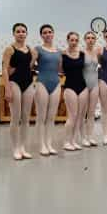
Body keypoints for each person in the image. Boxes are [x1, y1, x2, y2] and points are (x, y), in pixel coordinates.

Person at [2, 23, 35, 160]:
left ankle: (23, 147)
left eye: (23, 31)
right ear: (14, 33)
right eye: (18, 31)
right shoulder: (9, 49)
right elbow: (4, 69)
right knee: (16, 118)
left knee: (26, 118)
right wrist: (7, 88)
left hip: (28, 83)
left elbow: (29, 66)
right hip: (14, 82)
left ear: (26, 33)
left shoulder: (30, 49)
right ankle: (15, 148)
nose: (21, 33)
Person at [34, 24, 62, 156]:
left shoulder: (58, 51)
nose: (47, 34)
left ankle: (49, 143)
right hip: (42, 82)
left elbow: (61, 69)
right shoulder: (37, 49)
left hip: (56, 83)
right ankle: (41, 145)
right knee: (41, 116)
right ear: (41, 35)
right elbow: (29, 65)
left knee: (51, 117)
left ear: (53, 34)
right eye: (44, 32)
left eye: (50, 32)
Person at [62, 32, 89, 151]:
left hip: (83, 86)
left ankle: (73, 141)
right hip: (69, 86)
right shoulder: (62, 55)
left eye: (76, 40)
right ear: (67, 40)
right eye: (71, 40)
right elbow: (60, 70)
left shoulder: (82, 54)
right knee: (72, 115)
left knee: (79, 116)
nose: (73, 42)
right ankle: (66, 142)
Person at [82, 31, 100, 147]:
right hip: (83, 84)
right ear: (85, 40)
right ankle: (82, 137)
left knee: (92, 112)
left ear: (95, 40)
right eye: (88, 38)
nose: (90, 40)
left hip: (94, 83)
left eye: (92, 38)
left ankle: (90, 136)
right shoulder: (81, 52)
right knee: (83, 113)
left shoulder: (97, 52)